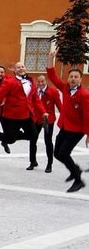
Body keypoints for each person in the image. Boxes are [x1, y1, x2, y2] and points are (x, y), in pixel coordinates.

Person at [0, 62, 47, 170]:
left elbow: (35, 99)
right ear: (14, 70)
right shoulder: (9, 82)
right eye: (18, 67)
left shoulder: (30, 81)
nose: (21, 68)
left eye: (23, 66)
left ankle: (31, 158)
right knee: (10, 140)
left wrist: (43, 112)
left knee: (33, 135)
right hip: (11, 117)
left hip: (26, 116)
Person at [47, 51, 89, 192]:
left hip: (77, 130)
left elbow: (87, 115)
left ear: (80, 79)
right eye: (71, 76)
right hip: (65, 126)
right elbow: (53, 77)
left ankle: (78, 180)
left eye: (76, 77)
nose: (72, 79)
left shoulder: (84, 95)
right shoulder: (65, 88)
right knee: (57, 153)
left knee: (64, 153)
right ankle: (75, 169)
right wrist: (50, 59)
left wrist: (88, 134)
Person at [34, 74, 61, 173]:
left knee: (48, 141)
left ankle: (49, 164)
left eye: (43, 81)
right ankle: (33, 161)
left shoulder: (53, 92)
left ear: (46, 82)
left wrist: (64, 120)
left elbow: (60, 106)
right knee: (33, 140)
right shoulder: (34, 91)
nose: (41, 83)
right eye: (39, 82)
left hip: (48, 121)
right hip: (36, 119)